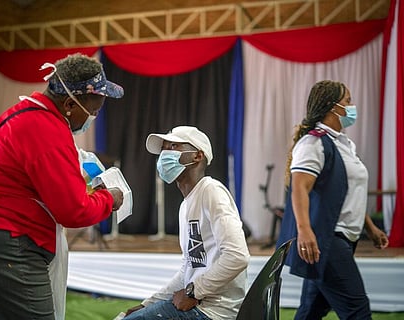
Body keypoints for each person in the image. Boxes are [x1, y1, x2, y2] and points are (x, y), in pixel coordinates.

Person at [0, 53, 125, 320]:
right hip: (0, 242)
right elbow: (74, 210)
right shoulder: (47, 128)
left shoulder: (21, 115)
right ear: (70, 104)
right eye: (93, 110)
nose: (94, 116)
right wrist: (110, 198)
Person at [277, 80, 389, 319]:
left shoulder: (344, 144)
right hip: (326, 239)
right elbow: (298, 189)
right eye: (348, 101)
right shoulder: (313, 143)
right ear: (332, 108)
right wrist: (305, 231)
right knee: (358, 310)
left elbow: (345, 192)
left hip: (344, 237)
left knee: (311, 311)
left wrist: (370, 227)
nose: (352, 106)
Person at [122, 126, 250, 320]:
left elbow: (237, 256)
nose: (165, 154)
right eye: (164, 149)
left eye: (173, 146)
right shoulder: (186, 205)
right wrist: (147, 304)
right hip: (200, 305)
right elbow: (188, 271)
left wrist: (193, 292)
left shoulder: (211, 191)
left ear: (197, 156)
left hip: (214, 312)